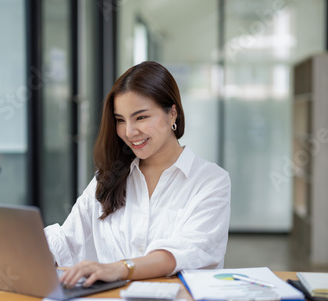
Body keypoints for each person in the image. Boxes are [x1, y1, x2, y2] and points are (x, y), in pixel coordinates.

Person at [44, 61, 230, 288]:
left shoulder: (211, 181)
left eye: (141, 117)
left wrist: (117, 269)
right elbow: (67, 241)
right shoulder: (108, 178)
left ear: (172, 114)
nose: (129, 132)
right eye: (120, 120)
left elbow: (187, 251)